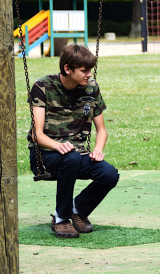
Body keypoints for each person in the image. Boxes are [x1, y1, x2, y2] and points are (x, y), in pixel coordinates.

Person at [28, 44, 119, 238]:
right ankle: (61, 218)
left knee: (109, 174)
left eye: (90, 70)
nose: (88, 75)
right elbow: (38, 135)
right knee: (72, 158)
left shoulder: (91, 88)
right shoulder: (43, 86)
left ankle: (76, 210)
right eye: (83, 71)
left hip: (77, 154)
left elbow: (102, 130)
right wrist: (59, 145)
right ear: (67, 69)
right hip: (46, 155)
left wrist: (97, 149)